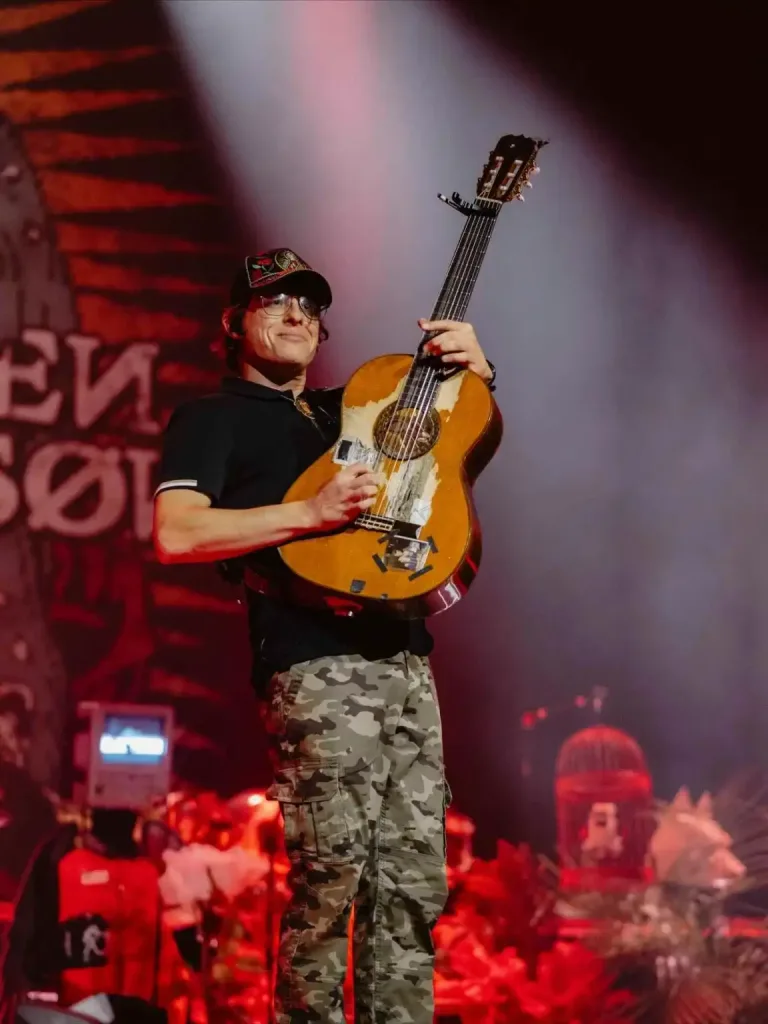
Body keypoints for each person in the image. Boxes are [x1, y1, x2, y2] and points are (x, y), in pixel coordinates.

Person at [152, 248, 496, 1024]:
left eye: (309, 306)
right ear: (233, 322)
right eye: (276, 303)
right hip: (316, 663)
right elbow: (175, 534)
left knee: (412, 886)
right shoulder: (213, 417)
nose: (298, 316)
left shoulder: (357, 405)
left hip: (406, 656)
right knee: (331, 876)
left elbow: (455, 429)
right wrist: (307, 515)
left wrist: (477, 369)